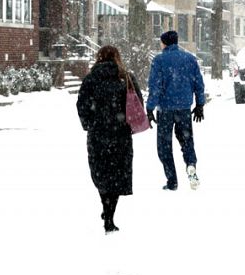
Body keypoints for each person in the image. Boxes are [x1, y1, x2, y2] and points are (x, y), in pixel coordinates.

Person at [77, 45, 143, 233]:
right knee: (117, 174)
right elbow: (138, 102)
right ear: (117, 58)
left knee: (101, 172)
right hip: (120, 134)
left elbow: (81, 104)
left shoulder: (91, 79)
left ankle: (105, 207)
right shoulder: (126, 78)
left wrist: (88, 123)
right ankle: (110, 214)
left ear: (99, 58)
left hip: (98, 134)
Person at [146, 30, 206, 190]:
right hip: (184, 108)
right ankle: (191, 164)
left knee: (164, 146)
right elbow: (198, 83)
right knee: (186, 140)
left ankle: (172, 180)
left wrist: (150, 108)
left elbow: (155, 87)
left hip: (165, 109)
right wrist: (200, 104)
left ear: (164, 43)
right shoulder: (190, 59)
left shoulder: (159, 60)